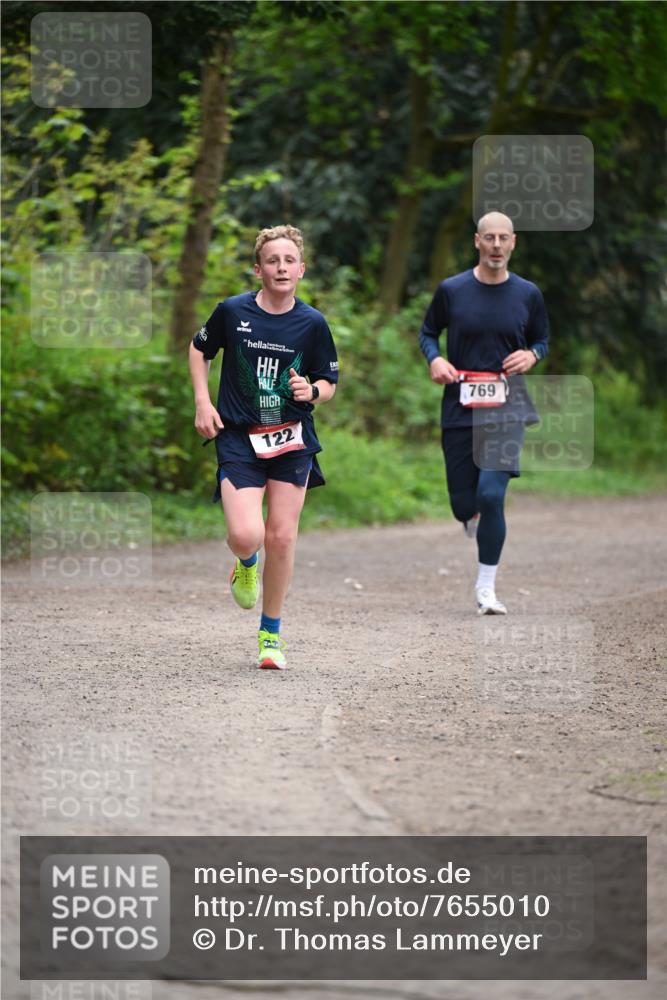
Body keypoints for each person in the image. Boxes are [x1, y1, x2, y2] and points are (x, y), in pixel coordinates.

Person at [189, 225, 338, 668]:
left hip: (291, 438)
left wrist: (311, 391)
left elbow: (329, 381)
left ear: (302, 269)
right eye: (272, 260)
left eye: (289, 261)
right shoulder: (232, 311)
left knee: (283, 536)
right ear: (259, 269)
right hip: (238, 436)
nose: (281, 267)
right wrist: (202, 403)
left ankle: (270, 635)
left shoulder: (312, 323)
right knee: (246, 535)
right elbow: (200, 351)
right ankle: (246, 562)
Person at [418, 211, 549, 615]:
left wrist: (532, 354)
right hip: (460, 403)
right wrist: (435, 360)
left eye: (503, 238)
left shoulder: (528, 293)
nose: (496, 245)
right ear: (477, 241)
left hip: (507, 405)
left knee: (491, 495)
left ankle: (486, 588)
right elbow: (427, 333)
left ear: (513, 243)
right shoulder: (452, 290)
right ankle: (469, 514)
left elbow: (542, 339)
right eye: (489, 238)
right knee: (464, 503)